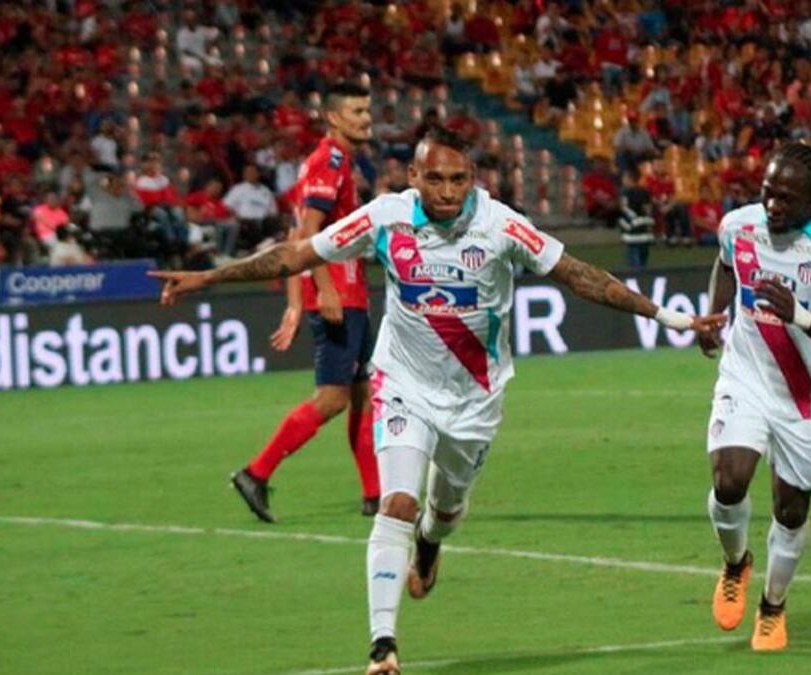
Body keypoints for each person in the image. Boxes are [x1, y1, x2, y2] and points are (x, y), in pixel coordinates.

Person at [150, 126, 725, 674]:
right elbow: (295, 255)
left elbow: (581, 276)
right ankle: (383, 645)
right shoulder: (386, 217)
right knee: (397, 502)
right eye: (435, 179)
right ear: (413, 177)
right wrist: (208, 278)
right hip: (403, 383)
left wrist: (672, 318)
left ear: (473, 178)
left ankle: (430, 542)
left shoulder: (502, 226)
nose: (448, 192)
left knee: (444, 513)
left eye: (458, 180)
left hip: (474, 399)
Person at [696, 142, 811, 653]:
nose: (771, 205)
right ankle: (736, 564)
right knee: (728, 482)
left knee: (790, 512)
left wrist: (799, 315)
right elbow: (726, 264)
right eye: (767, 192)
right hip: (745, 376)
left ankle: (773, 605)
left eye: (785, 198)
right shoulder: (739, 226)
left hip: (802, 397)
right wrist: (715, 315)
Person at [226, 84, 383, 523]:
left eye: (367, 110)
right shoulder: (329, 161)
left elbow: (297, 235)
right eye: (356, 111)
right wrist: (324, 290)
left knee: (364, 394)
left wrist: (295, 303)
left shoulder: (338, 162)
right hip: (338, 296)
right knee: (332, 399)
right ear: (333, 118)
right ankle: (256, 473)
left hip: (350, 293)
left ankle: (375, 494)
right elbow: (308, 235)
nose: (366, 118)